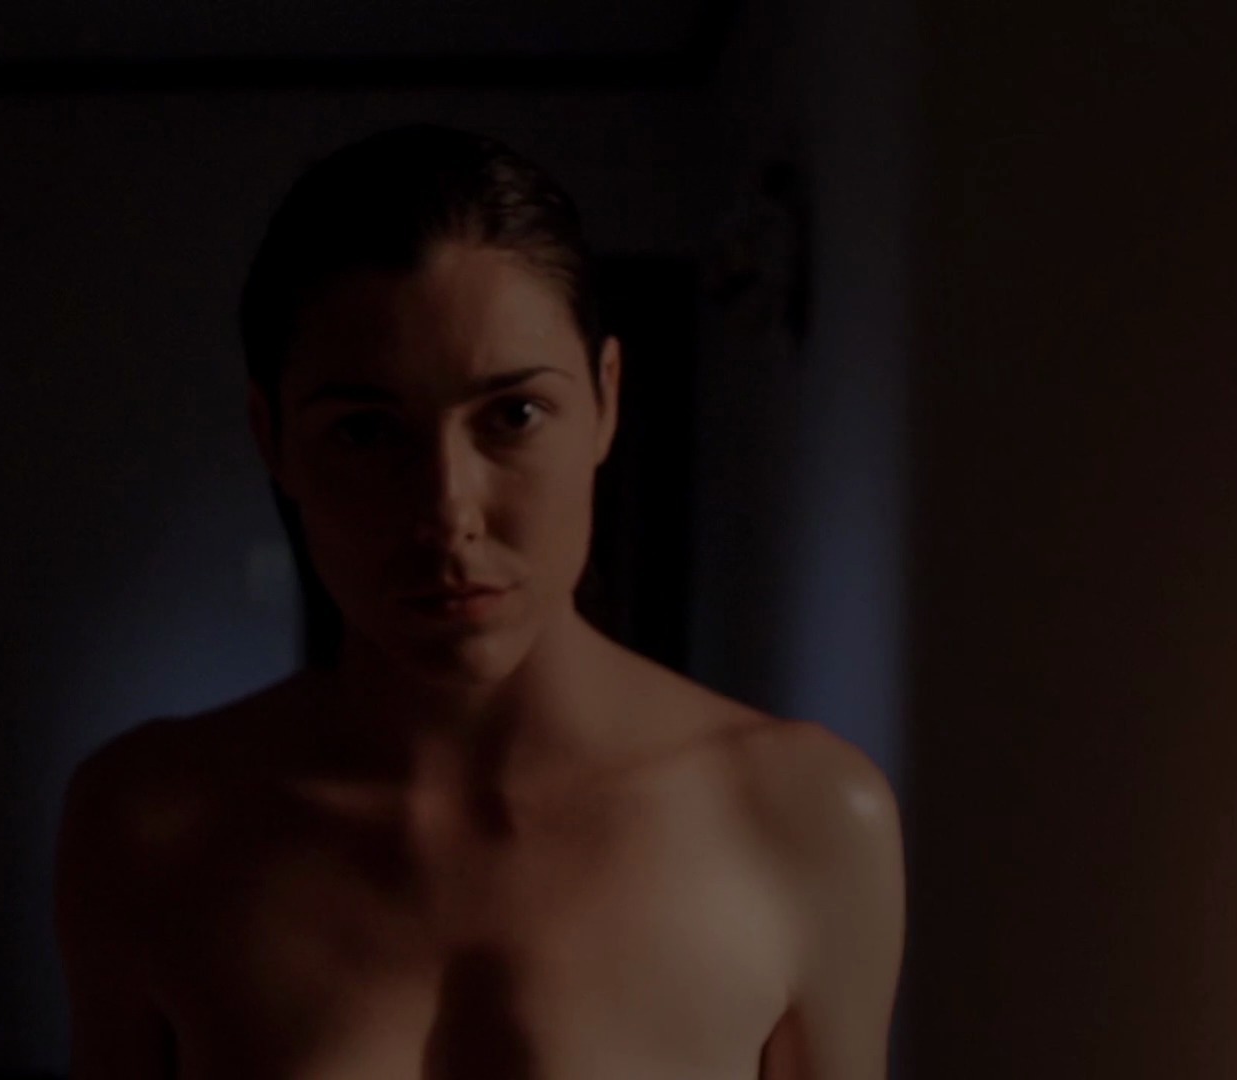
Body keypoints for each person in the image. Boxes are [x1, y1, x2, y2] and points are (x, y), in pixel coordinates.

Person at [53, 124, 905, 1080]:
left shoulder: (800, 816)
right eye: (367, 431)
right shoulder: (152, 822)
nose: (448, 513)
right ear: (273, 437)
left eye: (514, 415)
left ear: (606, 400)